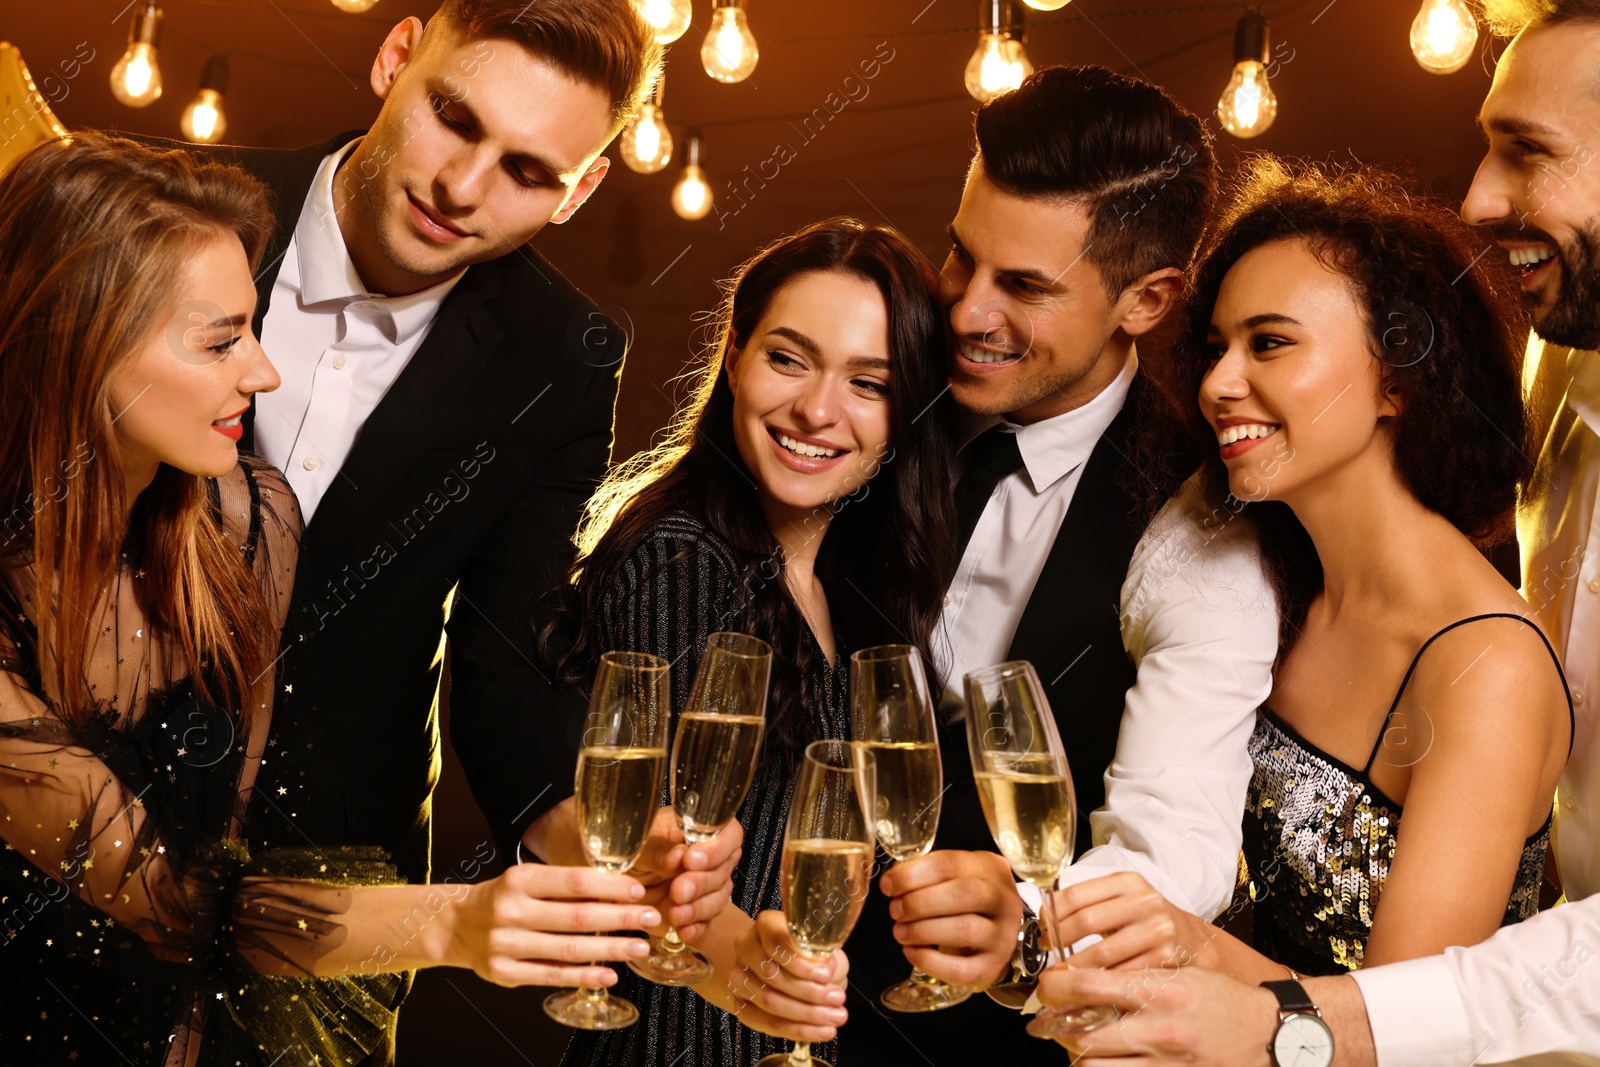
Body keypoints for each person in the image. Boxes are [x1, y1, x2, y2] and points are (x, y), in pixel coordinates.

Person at [0, 134, 678, 1067]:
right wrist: (461, 920)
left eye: (254, 325)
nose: (263, 372)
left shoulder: (249, 522)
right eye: (220, 340)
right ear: (85, 341)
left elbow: (228, 881)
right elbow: (177, 899)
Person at [1034, 3, 1600, 1063]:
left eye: (1271, 343)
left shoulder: (1481, 664)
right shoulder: (1257, 572)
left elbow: (1397, 1023)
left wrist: (1172, 950)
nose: (1215, 383)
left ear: (1399, 373)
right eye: (1213, 345)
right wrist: (1047, 929)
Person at [173, 2, 740, 1055]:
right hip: (62, 815)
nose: (461, 188)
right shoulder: (175, 203)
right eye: (452, 117)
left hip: (332, 880)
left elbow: (502, 655)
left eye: (528, 171)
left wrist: (589, 838)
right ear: (395, 56)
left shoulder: (563, 356)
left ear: (580, 190)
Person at [837, 65, 1280, 1064]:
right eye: (962, 255)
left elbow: (1176, 843)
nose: (964, 311)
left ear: (1147, 299)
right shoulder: (862, 391)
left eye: (1024, 287)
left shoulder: (1198, 521)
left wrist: (1037, 912)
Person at [540, 217, 959, 1065]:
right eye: (788, 358)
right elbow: (664, 869)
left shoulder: (843, 586)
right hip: (678, 1042)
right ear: (733, 356)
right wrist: (767, 980)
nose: (816, 408)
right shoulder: (681, 557)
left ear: (903, 415)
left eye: (868, 383)